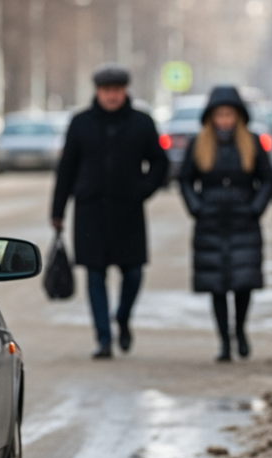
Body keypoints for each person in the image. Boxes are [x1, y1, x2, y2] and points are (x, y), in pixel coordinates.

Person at [51, 63, 168, 359]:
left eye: (116, 90)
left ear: (125, 91)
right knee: (94, 276)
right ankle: (103, 338)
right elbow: (66, 170)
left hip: (128, 211)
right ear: (97, 92)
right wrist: (58, 211)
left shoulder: (142, 122)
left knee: (133, 274)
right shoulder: (81, 123)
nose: (111, 96)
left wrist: (144, 189)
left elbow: (159, 162)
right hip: (90, 211)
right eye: (106, 91)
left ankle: (123, 317)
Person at [179, 86, 272, 362]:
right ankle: (224, 341)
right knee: (217, 285)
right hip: (210, 222)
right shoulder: (199, 143)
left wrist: (256, 208)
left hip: (243, 220)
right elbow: (185, 179)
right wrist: (196, 207)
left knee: (243, 282)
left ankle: (240, 330)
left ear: (238, 116)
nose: (224, 120)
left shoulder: (252, 142)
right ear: (211, 117)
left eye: (229, 114)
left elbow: (268, 178)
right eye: (219, 114)